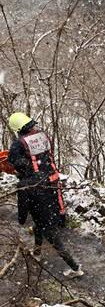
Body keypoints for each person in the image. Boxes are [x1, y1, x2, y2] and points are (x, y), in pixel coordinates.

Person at [7, 111, 83, 278]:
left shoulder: (19, 150)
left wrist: (20, 219)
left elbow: (13, 162)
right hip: (51, 185)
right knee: (40, 223)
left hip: (38, 192)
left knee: (50, 232)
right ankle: (37, 252)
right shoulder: (41, 136)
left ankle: (75, 268)